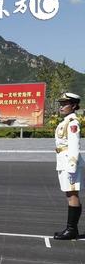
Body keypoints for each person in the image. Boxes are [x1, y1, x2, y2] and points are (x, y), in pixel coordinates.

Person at [53, 92, 83, 240]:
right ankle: (73, 229)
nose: (62, 107)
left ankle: (71, 230)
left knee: (72, 194)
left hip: (69, 162)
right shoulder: (66, 121)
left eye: (65, 104)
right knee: (70, 194)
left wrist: (72, 166)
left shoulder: (73, 123)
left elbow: (74, 145)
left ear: (74, 106)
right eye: (61, 104)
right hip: (63, 161)